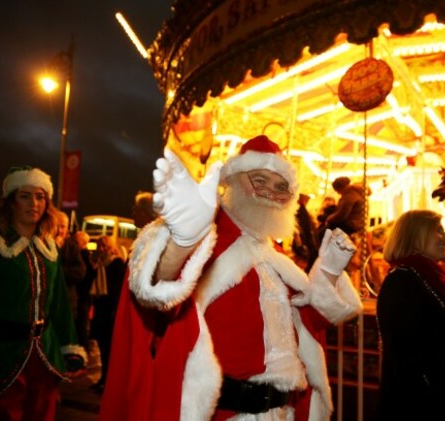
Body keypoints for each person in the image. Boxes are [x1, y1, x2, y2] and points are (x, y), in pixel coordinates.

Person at [99, 135, 363, 420]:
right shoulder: (207, 239)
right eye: (259, 180)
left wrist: (329, 271)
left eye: (280, 187)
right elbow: (157, 294)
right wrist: (181, 242)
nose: (269, 193)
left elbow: (307, 325)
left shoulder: (275, 257)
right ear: (233, 181)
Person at [0, 166, 86, 420]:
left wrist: (69, 346)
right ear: (10, 201)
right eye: (25, 196)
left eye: (40, 196)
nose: (34, 203)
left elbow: (60, 304)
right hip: (2, 358)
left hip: (44, 358)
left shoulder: (49, 247)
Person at [375, 210, 445, 420]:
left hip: (439, 389)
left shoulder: (430, 277)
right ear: (417, 236)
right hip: (420, 398)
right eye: (438, 231)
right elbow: (404, 349)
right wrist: (429, 387)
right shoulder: (402, 280)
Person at [89, 235, 126, 394]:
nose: (102, 249)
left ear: (111, 247)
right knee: (103, 346)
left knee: (110, 348)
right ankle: (103, 378)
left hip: (110, 311)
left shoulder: (117, 263)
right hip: (100, 309)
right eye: (99, 246)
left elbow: (118, 290)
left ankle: (109, 381)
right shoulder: (99, 264)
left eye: (105, 246)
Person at [293, 193, 318, 273]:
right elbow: (302, 227)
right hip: (304, 240)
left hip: (303, 240)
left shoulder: (301, 210)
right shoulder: (301, 210)